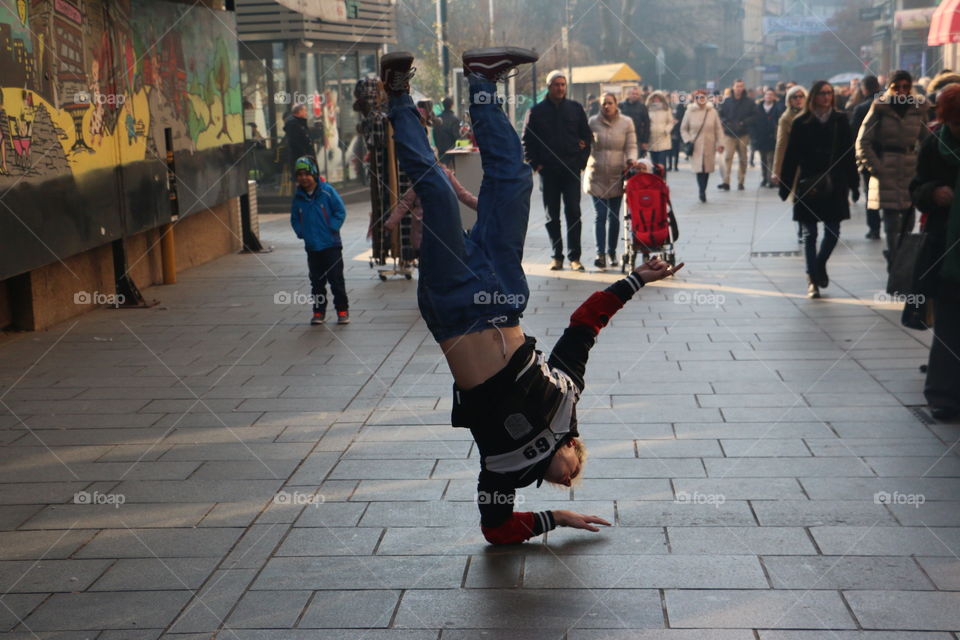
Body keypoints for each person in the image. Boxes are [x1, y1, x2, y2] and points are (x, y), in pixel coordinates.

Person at [380, 47, 683, 545]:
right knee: (515, 178)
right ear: (576, 447)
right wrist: (638, 280)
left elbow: (496, 531)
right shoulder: (567, 396)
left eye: (567, 485)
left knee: (435, 193)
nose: (568, 483)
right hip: (503, 294)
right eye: (575, 474)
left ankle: (397, 97)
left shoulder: (507, 473)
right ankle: (482, 82)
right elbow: (586, 325)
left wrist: (554, 520)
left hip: (454, 309)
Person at [779, 80, 860, 299]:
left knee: (833, 232)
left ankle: (819, 263)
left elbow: (849, 154)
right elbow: (791, 156)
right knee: (810, 234)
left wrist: (854, 183)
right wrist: (785, 185)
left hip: (835, 183)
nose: (826, 97)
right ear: (813, 96)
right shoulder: (801, 122)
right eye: (822, 93)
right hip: (808, 184)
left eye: (829, 93)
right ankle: (811, 278)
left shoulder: (840, 120)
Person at [909, 83, 960, 421]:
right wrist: (933, 192)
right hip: (946, 246)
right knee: (949, 322)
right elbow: (916, 188)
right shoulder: (933, 144)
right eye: (956, 122)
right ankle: (943, 394)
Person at [856, 70, 930, 266]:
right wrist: (876, 167)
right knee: (890, 220)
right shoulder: (880, 107)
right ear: (889, 88)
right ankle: (895, 259)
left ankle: (900, 257)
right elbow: (863, 141)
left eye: (906, 86)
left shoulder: (918, 107)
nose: (902, 91)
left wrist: (925, 167)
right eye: (897, 87)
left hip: (910, 167)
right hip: (887, 165)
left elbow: (927, 140)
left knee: (908, 217)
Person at [523, 70, 592, 272]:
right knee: (551, 216)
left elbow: (587, 138)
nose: (560, 88)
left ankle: (575, 257)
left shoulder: (575, 109)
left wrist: (581, 163)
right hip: (549, 172)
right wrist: (536, 164)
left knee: (573, 213)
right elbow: (527, 141)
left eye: (563, 84)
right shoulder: (536, 111)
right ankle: (557, 256)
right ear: (549, 86)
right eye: (556, 84)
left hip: (571, 170)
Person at [289, 156, 349, 325]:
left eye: (306, 173)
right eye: (299, 174)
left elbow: (340, 211)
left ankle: (342, 310)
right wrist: (301, 232)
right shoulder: (298, 197)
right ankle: (318, 311)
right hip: (312, 247)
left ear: (314, 174)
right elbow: (294, 218)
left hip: (331, 245)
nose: (303, 178)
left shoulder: (327, 191)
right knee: (316, 282)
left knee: (336, 280)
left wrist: (332, 227)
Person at [585, 92, 638, 270]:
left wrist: (631, 160)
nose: (606, 106)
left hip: (617, 175)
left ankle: (612, 251)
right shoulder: (592, 122)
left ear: (616, 104)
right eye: (603, 103)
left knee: (614, 216)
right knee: (600, 215)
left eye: (609, 103)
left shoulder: (626, 122)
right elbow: (585, 143)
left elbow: (631, 145)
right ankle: (600, 254)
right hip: (597, 174)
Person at [772, 85, 808, 243]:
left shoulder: (812, 113)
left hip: (814, 162)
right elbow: (781, 144)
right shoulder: (786, 118)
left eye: (801, 96)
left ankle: (809, 226)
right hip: (796, 164)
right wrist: (776, 170)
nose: (798, 99)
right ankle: (802, 227)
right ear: (789, 100)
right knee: (799, 197)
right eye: (795, 97)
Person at [849, 75, 883, 239]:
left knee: (871, 193)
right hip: (890, 154)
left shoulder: (861, 108)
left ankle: (874, 227)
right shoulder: (892, 103)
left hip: (869, 155)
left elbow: (854, 136)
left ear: (864, 89)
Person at [680, 89, 724, 203]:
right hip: (696, 145)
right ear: (695, 99)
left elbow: (718, 128)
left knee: (707, 169)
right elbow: (683, 129)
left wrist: (720, 143)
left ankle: (703, 189)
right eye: (699, 97)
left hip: (710, 143)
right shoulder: (689, 111)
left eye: (703, 97)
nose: (701, 99)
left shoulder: (712, 111)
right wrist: (688, 140)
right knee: (699, 169)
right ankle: (701, 191)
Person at [718, 79, 756, 190]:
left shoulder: (749, 102)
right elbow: (720, 114)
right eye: (737, 86)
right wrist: (726, 122)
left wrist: (744, 122)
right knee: (727, 157)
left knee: (743, 158)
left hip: (743, 133)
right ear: (733, 87)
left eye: (741, 86)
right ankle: (726, 181)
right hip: (729, 134)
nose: (739, 88)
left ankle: (741, 181)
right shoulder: (726, 101)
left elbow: (754, 116)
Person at [753, 88, 785, 188]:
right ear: (764, 96)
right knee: (763, 160)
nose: (769, 96)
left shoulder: (778, 108)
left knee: (771, 159)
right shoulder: (758, 108)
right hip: (761, 138)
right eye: (767, 94)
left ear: (774, 97)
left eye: (771, 95)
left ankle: (770, 180)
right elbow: (754, 123)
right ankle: (764, 178)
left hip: (772, 138)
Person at [646, 90, 675, 170]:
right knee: (654, 163)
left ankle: (662, 180)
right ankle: (655, 180)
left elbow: (671, 122)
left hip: (663, 138)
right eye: (655, 98)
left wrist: (666, 130)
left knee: (662, 163)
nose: (656, 100)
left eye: (658, 98)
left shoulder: (666, 109)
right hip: (652, 138)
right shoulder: (648, 109)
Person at [619, 87, 651, 157]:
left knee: (636, 159)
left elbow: (647, 124)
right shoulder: (621, 105)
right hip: (623, 136)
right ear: (628, 94)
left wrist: (645, 141)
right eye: (633, 93)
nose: (634, 95)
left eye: (637, 94)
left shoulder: (642, 107)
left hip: (638, 138)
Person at [283, 104, 314, 176]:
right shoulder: (292, 123)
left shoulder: (300, 122)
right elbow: (295, 141)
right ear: (299, 111)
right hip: (299, 156)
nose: (306, 113)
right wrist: (304, 154)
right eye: (304, 110)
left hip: (306, 155)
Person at [433, 97, 461, 165]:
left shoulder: (437, 118)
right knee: (457, 171)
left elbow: (435, 134)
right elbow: (456, 136)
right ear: (452, 105)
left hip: (441, 150)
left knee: (444, 171)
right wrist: (462, 146)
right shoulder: (455, 119)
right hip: (453, 151)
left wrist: (438, 146)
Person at [669, 96, 686, 171]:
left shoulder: (678, 107)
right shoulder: (682, 108)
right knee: (676, 150)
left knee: (671, 150)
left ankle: (671, 166)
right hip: (677, 132)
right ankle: (675, 166)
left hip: (674, 132)